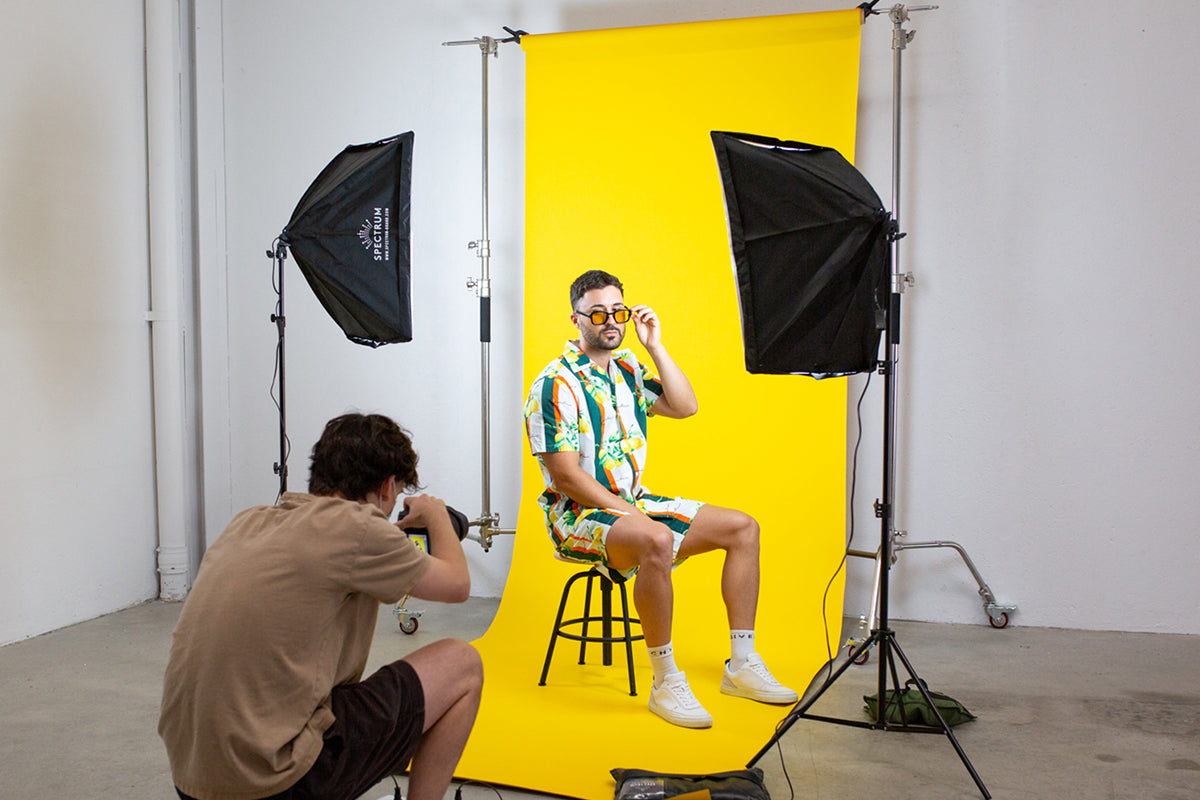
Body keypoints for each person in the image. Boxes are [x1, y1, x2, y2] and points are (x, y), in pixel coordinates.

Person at [523, 269, 797, 729]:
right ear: (576, 319)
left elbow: (685, 405)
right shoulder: (555, 383)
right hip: (576, 515)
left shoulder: (629, 370)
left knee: (743, 528)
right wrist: (632, 514)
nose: (610, 320)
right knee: (654, 538)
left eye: (618, 310)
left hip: (634, 500)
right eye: (597, 312)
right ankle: (666, 681)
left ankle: (742, 665)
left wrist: (655, 346)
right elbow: (566, 476)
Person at [158, 413, 482, 800]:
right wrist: (433, 513)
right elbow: (458, 585)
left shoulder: (250, 522)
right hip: (272, 784)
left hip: (192, 779)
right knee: (463, 665)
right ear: (387, 486)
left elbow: (341, 556)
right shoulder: (359, 529)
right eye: (395, 496)